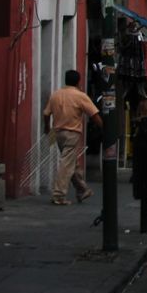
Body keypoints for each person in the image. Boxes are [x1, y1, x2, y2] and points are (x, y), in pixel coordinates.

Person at [43, 70, 103, 206]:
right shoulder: (80, 96)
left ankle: (82, 189)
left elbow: (46, 113)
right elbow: (94, 115)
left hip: (58, 133)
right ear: (78, 82)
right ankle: (58, 195)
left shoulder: (55, 95)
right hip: (72, 133)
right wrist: (104, 128)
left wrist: (46, 127)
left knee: (71, 163)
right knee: (66, 164)